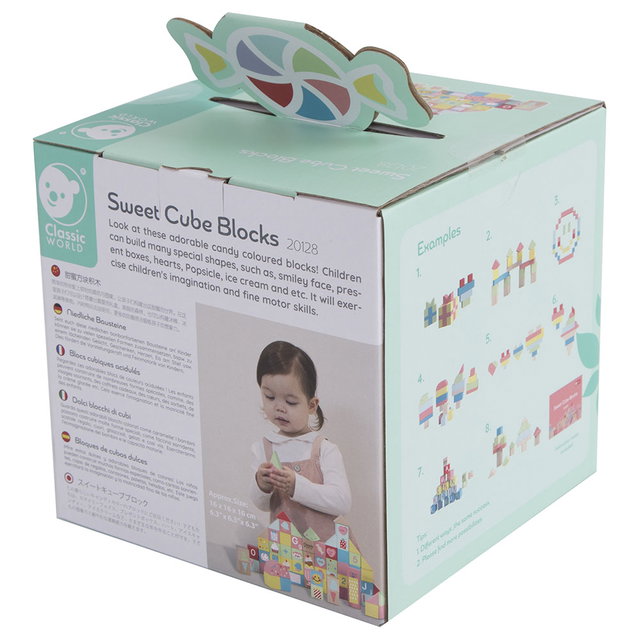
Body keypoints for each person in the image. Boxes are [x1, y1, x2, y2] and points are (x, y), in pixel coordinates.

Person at [249, 341, 351, 541]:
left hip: (326, 550)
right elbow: (262, 504)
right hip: (285, 549)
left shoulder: (324, 449)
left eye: (290, 402)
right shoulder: (263, 448)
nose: (279, 407)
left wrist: (297, 486)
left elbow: (342, 502)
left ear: (311, 405)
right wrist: (262, 485)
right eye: (269, 397)